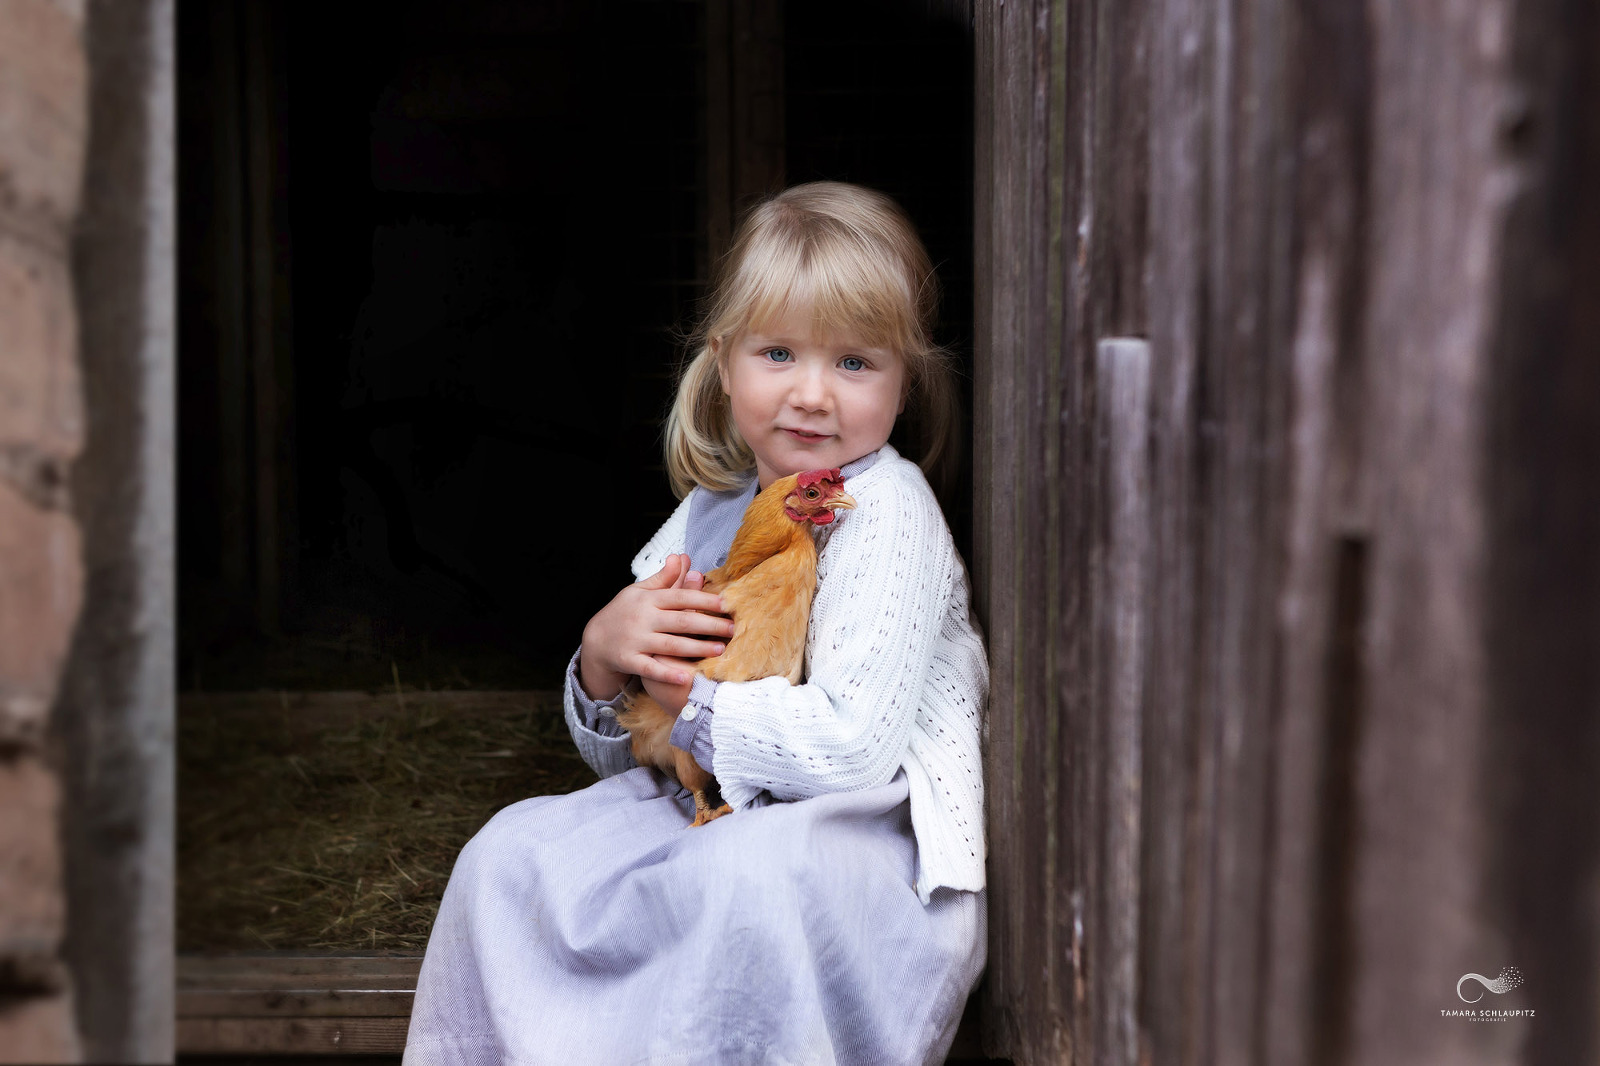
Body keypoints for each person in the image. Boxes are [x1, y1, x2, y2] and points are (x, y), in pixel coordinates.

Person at [403, 182, 989, 1066]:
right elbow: (632, 745)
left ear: (906, 383)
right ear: (724, 363)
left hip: (863, 836)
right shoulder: (711, 516)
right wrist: (604, 663)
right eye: (779, 352)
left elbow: (857, 750)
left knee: (737, 884)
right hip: (714, 807)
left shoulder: (887, 513)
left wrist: (699, 708)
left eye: (856, 362)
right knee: (508, 857)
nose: (813, 394)